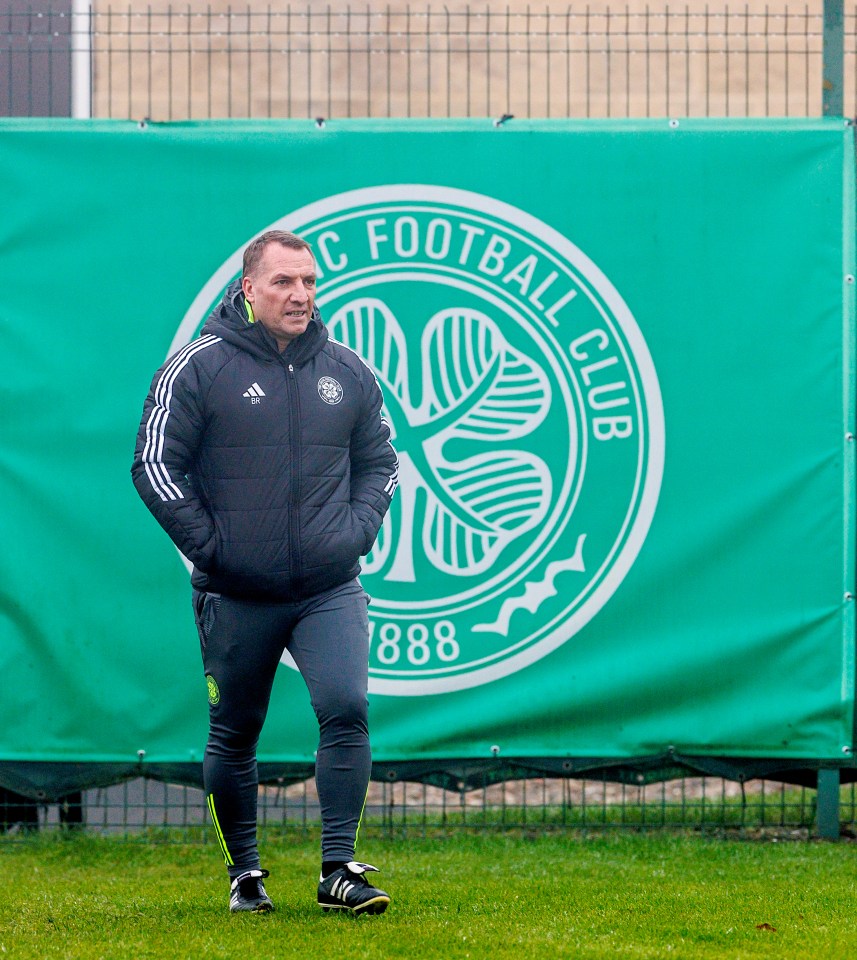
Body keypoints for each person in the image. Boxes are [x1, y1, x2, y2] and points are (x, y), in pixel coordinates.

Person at [131, 230, 398, 916]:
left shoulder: (347, 369)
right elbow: (155, 465)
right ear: (249, 289)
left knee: (346, 708)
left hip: (328, 587)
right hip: (235, 592)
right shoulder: (198, 366)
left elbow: (381, 462)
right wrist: (211, 547)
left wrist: (354, 532)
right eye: (284, 282)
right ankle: (244, 876)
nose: (301, 295)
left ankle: (338, 869)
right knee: (235, 734)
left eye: (309, 282)